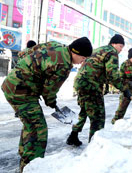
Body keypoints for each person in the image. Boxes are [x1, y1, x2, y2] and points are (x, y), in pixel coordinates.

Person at [1, 37, 93, 172]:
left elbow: (29, 51)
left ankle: (25, 160)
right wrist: (51, 102)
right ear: (76, 53)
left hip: (14, 83)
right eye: (84, 58)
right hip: (21, 91)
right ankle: (31, 167)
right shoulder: (64, 65)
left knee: (31, 124)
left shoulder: (56, 45)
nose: (83, 62)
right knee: (38, 129)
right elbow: (49, 90)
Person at [66, 34, 130, 146]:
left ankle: (73, 136)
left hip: (81, 83)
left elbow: (98, 70)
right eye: (120, 46)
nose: (120, 50)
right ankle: (94, 147)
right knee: (98, 118)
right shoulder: (112, 53)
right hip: (91, 86)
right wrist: (124, 89)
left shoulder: (99, 50)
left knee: (84, 111)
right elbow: (112, 75)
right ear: (113, 44)